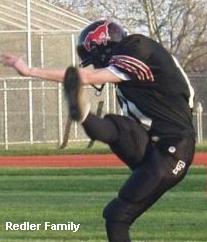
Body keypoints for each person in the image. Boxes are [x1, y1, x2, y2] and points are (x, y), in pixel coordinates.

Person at [1, 20, 196, 242]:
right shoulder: (138, 55)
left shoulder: (136, 47)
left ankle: (84, 115)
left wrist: (30, 71)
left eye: (95, 59)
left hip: (172, 150)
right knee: (118, 126)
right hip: (153, 141)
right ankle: (84, 115)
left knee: (117, 216)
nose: (94, 65)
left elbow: (86, 77)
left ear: (103, 46)